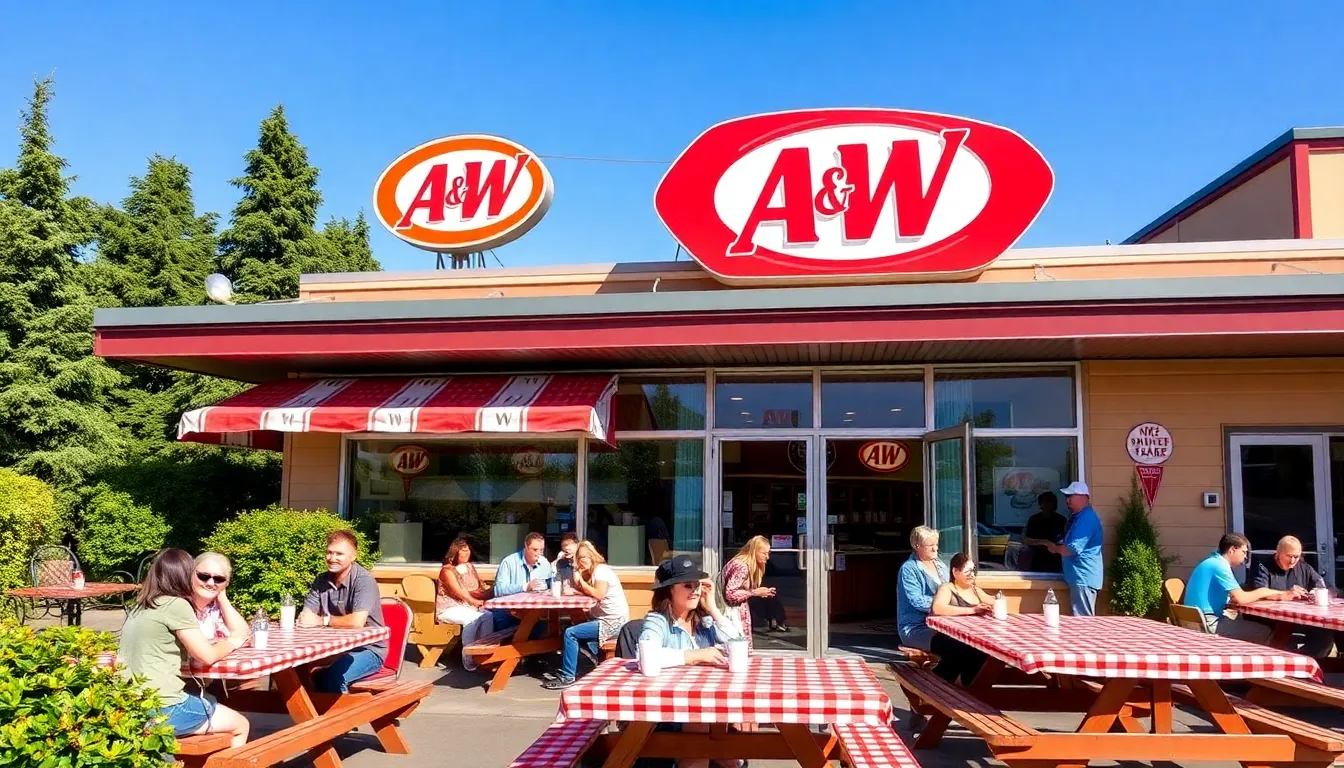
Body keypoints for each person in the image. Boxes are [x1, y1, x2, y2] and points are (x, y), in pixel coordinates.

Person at [117, 549, 251, 747]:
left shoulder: (141, 605)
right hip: (164, 707)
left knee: (210, 699)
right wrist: (233, 642)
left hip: (128, 704)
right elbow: (207, 656)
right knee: (241, 724)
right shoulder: (176, 605)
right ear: (184, 574)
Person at [638, 557, 744, 768]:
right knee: (702, 730)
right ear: (668, 590)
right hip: (666, 712)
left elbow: (739, 643)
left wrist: (713, 607)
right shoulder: (658, 621)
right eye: (688, 586)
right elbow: (646, 658)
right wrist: (695, 655)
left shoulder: (703, 620)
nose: (695, 591)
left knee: (734, 737)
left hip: (707, 707)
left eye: (698, 585)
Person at [297, 530, 387, 693]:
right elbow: (306, 616)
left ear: (353, 556)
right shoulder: (321, 580)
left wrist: (322, 621)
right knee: (295, 668)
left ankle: (343, 718)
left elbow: (356, 622)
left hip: (368, 650)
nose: (332, 558)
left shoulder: (364, 580)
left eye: (339, 554)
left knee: (333, 678)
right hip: (332, 648)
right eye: (329, 553)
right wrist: (305, 619)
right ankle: (310, 714)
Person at [543, 541, 629, 689]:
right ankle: (593, 664)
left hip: (612, 621)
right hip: (604, 619)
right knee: (575, 628)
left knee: (570, 633)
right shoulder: (593, 572)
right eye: (578, 558)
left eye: (583, 557)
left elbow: (599, 594)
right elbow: (592, 592)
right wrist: (577, 589)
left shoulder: (601, 570)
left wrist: (580, 581)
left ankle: (568, 676)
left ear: (592, 556)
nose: (581, 561)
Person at [1184, 532, 1298, 641]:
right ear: (1232, 550)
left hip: (1194, 621)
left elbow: (1233, 597)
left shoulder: (1210, 562)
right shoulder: (1220, 566)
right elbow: (1241, 599)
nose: (1245, 558)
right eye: (1244, 552)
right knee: (1265, 631)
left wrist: (1280, 594)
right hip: (1209, 623)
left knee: (1241, 621)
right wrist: (1264, 591)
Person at [1249, 535, 1332, 656]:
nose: (1293, 561)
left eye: (1296, 557)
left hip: (1301, 619)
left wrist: (1314, 592)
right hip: (1270, 620)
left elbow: (1324, 586)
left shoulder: (1304, 568)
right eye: (1289, 556)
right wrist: (1286, 594)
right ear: (1278, 553)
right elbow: (1259, 592)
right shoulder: (1263, 567)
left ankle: (1308, 662)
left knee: (1326, 633)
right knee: (1285, 634)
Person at [929, 553, 992, 685]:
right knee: (970, 653)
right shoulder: (947, 588)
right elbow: (938, 608)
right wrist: (972, 610)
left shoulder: (975, 590)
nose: (972, 575)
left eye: (973, 571)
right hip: (949, 639)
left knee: (985, 654)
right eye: (968, 572)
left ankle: (974, 690)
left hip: (973, 639)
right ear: (955, 572)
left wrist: (995, 605)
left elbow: (995, 602)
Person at [1044, 482, 1103, 616]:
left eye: (1071, 496)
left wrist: (1055, 548)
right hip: (1079, 578)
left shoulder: (1086, 519)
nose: (1067, 500)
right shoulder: (1079, 517)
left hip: (1083, 578)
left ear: (1083, 497)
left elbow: (1072, 549)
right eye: (1066, 496)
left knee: (1083, 622)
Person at [436, 537, 494, 671]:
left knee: (488, 616)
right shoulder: (447, 571)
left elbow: (480, 585)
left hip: (467, 606)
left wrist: (490, 591)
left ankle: (483, 653)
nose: (467, 553)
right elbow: (459, 592)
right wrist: (476, 602)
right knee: (472, 619)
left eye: (468, 550)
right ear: (455, 552)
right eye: (463, 550)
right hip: (449, 607)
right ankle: (467, 656)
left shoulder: (469, 566)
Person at [720, 535, 786, 648]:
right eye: (764, 553)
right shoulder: (742, 566)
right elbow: (730, 594)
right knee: (738, 648)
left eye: (768, 553)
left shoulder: (740, 563)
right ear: (754, 551)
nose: (767, 557)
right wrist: (755, 592)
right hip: (732, 614)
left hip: (734, 612)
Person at [896, 526, 948, 652]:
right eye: (929, 545)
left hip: (942, 625)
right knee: (950, 646)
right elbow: (917, 601)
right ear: (917, 546)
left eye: (936, 544)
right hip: (916, 628)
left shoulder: (940, 565)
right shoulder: (909, 569)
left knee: (967, 644)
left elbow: (949, 592)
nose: (935, 548)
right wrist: (941, 605)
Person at [491, 532, 554, 632]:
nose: (539, 554)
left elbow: (551, 583)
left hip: (535, 612)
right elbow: (498, 590)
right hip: (509, 611)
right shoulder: (509, 562)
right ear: (526, 546)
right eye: (535, 550)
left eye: (541, 550)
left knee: (548, 626)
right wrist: (525, 586)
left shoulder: (544, 563)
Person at [190, 552, 248, 641]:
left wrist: (222, 598)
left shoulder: (215, 608)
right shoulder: (180, 605)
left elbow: (245, 636)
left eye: (219, 579)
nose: (210, 583)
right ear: (191, 574)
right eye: (204, 576)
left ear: (227, 583)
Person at [1020, 493, 1067, 572]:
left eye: (1048, 502)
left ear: (1054, 504)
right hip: (1037, 558)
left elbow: (1066, 541)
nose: (1045, 505)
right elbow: (1026, 540)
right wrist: (1044, 542)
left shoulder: (1061, 520)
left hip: (1056, 560)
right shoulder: (1034, 519)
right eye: (1043, 502)